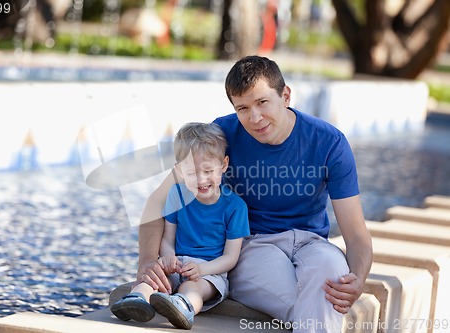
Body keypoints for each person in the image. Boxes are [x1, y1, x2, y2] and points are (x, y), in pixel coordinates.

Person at [135, 56, 373, 333]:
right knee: (319, 303)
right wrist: (148, 261)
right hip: (253, 246)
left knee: (334, 272)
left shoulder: (329, 143)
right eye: (243, 108)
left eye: (262, 103)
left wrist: (358, 279)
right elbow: (159, 199)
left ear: (285, 96)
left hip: (311, 243)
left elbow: (355, 233)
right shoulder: (220, 137)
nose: (255, 118)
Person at [112, 122, 250, 330]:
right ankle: (137, 299)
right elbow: (168, 238)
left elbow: (230, 257)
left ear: (223, 165)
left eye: (208, 171)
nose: (202, 180)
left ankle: (183, 307)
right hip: (178, 263)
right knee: (154, 279)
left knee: (193, 288)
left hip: (209, 271)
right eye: (192, 173)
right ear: (180, 171)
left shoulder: (235, 207)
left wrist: (202, 268)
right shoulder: (176, 195)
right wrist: (168, 258)